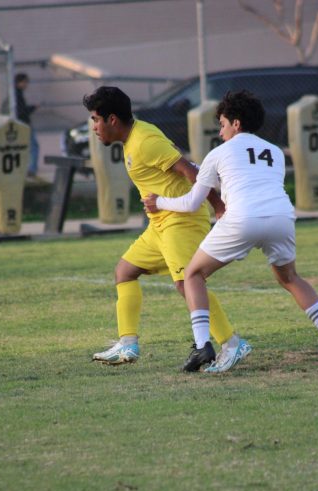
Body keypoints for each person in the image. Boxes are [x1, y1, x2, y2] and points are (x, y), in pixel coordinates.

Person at [142, 90, 318, 372]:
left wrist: (159, 202)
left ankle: (203, 346)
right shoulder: (275, 152)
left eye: (223, 124)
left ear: (236, 123)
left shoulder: (217, 154)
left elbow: (192, 202)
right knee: (290, 278)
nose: (220, 130)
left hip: (241, 218)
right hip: (282, 217)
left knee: (192, 274)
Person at [82, 86, 251, 372]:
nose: (94, 127)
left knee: (188, 283)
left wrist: (218, 207)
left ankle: (232, 343)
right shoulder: (134, 138)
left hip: (180, 221)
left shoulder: (144, 141)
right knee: (125, 271)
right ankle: (127, 343)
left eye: (96, 119)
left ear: (112, 119)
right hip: (159, 223)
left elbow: (192, 172)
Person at [1, 73, 40, 177]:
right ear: (20, 82)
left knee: (23, 146)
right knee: (33, 146)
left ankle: (24, 167)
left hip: (19, 124)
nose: (26, 85)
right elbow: (22, 111)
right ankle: (32, 169)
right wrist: (33, 108)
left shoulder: (13, 94)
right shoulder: (16, 94)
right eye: (25, 82)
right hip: (24, 124)